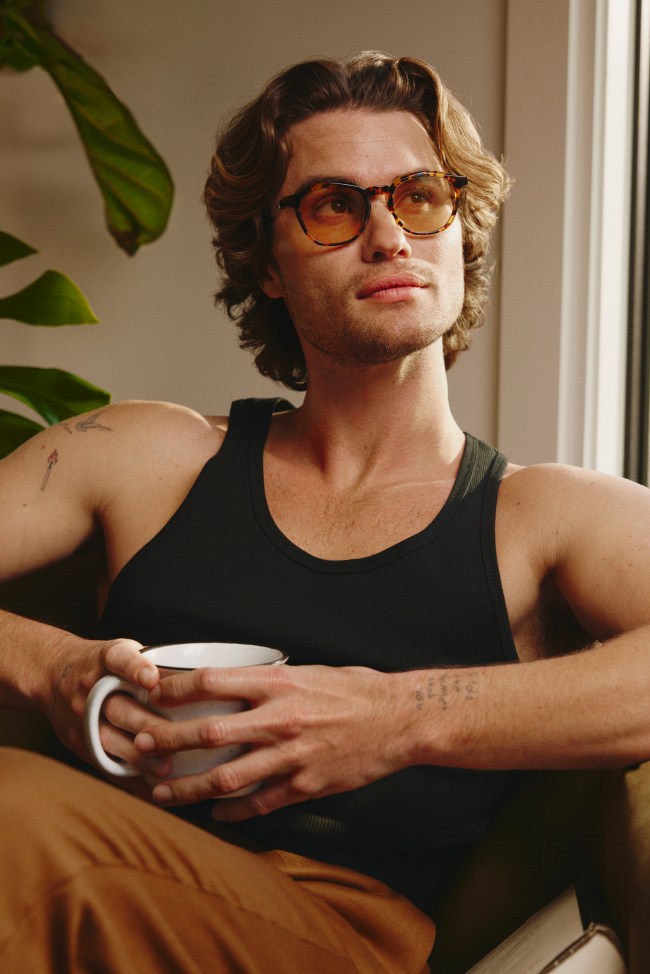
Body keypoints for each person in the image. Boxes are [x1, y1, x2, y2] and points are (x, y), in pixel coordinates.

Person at [1, 50, 649, 974]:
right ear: (265, 262)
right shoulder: (149, 456)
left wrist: (394, 716)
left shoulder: (540, 516)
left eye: (419, 195)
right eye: (335, 205)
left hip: (340, 937)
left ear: (457, 230)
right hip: (92, 878)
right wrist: (48, 665)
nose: (388, 235)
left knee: (13, 818)